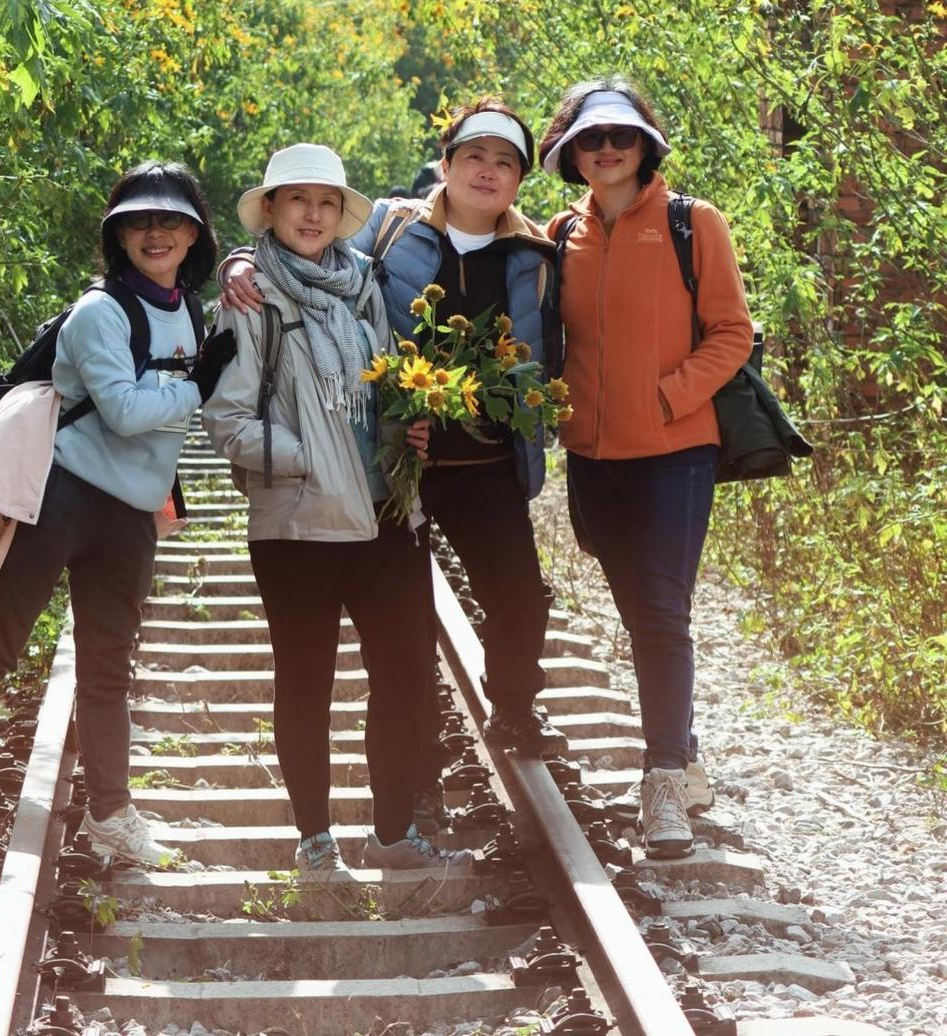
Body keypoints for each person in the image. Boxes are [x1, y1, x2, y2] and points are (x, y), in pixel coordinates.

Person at [221, 99, 558, 825]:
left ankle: (509, 715)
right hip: (389, 473)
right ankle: (409, 800)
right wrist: (238, 258)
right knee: (394, 651)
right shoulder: (392, 232)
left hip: (478, 466)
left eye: (506, 161)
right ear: (447, 164)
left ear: (522, 177)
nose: (488, 171)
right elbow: (302, 251)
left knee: (509, 605)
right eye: (475, 156)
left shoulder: (538, 255)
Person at [0, 161, 234, 862]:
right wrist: (200, 387)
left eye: (171, 220)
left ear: (194, 235)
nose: (156, 233)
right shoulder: (99, 312)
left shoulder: (186, 308)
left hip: (130, 510)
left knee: (110, 667)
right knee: (0, 643)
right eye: (139, 222)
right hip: (61, 497)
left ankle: (111, 814)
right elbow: (123, 414)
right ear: (117, 236)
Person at [202, 142, 471, 893]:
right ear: (273, 212)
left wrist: (404, 428)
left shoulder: (364, 288)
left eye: (326, 202)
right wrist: (307, 461)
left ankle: (391, 834)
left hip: (385, 513)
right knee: (306, 682)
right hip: (299, 527)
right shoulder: (247, 298)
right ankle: (316, 843)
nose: (313, 215)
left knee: (408, 674)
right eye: (297, 201)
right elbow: (225, 416)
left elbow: (381, 386)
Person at [537, 79, 754, 859]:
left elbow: (733, 332)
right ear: (569, 152)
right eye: (590, 141)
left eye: (620, 138)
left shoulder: (693, 224)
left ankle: (663, 785)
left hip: (674, 455)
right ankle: (684, 748)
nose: (605, 150)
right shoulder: (560, 235)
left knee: (662, 615)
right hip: (593, 461)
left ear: (644, 145)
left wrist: (670, 399)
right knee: (639, 615)